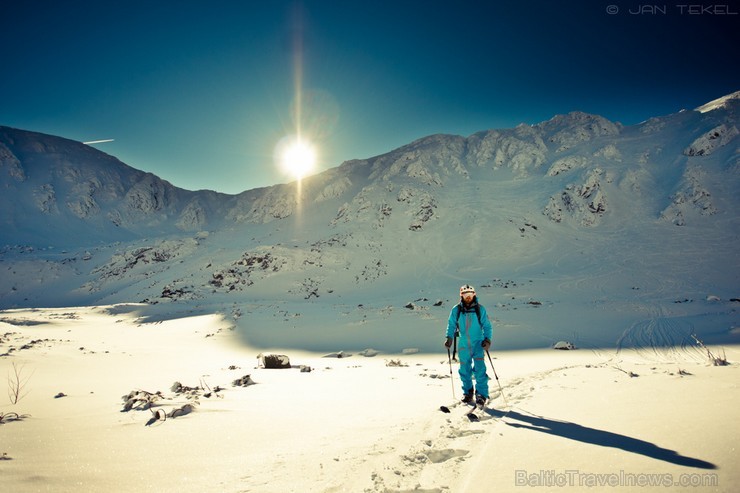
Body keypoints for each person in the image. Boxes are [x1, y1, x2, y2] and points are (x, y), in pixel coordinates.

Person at [444, 284, 493, 406]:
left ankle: (481, 394)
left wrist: (487, 340)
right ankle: (468, 393)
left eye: (470, 295)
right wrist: (449, 337)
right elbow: (451, 324)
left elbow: (487, 326)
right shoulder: (456, 310)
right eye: (465, 295)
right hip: (463, 343)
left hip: (478, 343)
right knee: (464, 370)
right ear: (461, 296)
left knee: (479, 369)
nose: (468, 297)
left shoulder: (480, 309)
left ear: (474, 295)